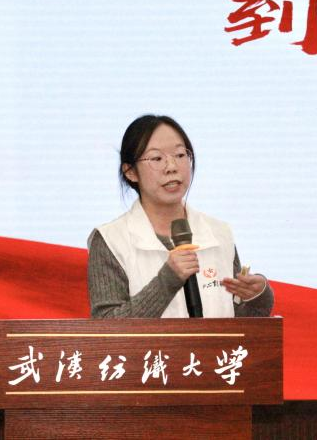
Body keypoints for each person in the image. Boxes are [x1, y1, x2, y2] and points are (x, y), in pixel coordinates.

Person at [87, 114, 274, 318]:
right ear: (130, 171)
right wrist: (168, 280)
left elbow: (239, 327)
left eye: (179, 155)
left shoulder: (219, 233)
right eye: (157, 158)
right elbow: (106, 327)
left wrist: (257, 298)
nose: (172, 167)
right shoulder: (110, 240)